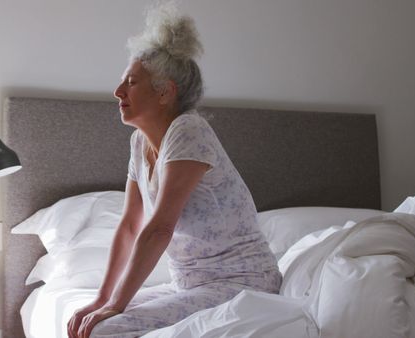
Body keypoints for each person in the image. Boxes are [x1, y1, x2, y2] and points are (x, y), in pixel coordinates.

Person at [68, 3, 281, 338]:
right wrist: (103, 298)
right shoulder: (139, 142)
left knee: (104, 330)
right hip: (189, 284)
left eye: (131, 82)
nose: (117, 91)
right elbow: (129, 227)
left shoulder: (188, 131)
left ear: (165, 92)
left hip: (242, 283)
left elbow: (158, 229)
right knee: (85, 321)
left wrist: (115, 306)